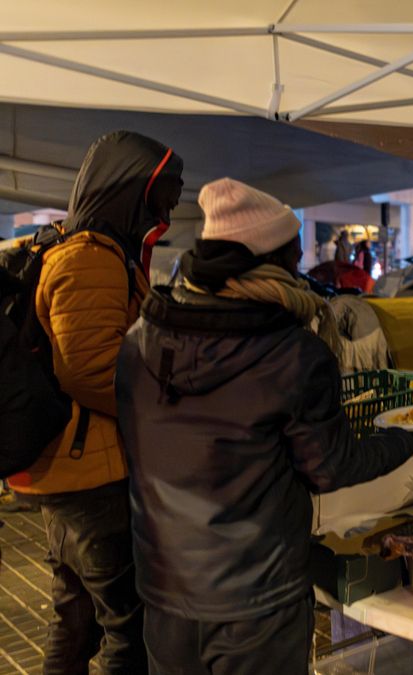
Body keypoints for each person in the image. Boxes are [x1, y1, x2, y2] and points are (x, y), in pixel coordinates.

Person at [115, 178, 413, 674]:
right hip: (257, 601)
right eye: (294, 257)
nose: (301, 270)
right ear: (270, 262)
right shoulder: (292, 353)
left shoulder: (141, 339)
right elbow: (332, 467)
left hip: (165, 592)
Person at [7, 130, 183, 673]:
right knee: (127, 632)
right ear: (130, 191)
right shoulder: (92, 256)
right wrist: (156, 410)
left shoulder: (72, 245)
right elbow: (88, 370)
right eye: (162, 197)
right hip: (92, 476)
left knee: (76, 620)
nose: (168, 211)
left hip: (65, 469)